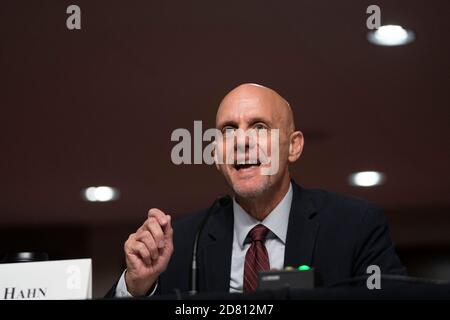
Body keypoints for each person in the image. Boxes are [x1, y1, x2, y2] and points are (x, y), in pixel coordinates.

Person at [106, 83, 406, 297]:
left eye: (259, 127)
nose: (241, 142)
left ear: (294, 146)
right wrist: (136, 288)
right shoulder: (181, 243)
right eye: (228, 131)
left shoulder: (354, 225)